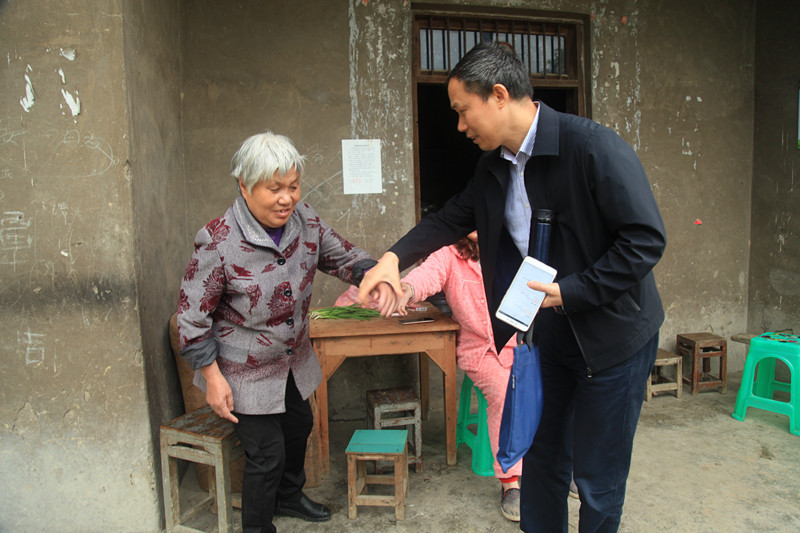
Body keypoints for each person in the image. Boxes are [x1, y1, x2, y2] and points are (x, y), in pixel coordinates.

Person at [358, 41, 666, 532]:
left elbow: (644, 240)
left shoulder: (591, 147)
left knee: (597, 477)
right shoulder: (495, 166)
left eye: (463, 110)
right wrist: (392, 260)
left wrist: (573, 291)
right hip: (550, 335)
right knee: (541, 458)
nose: (460, 126)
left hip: (615, 339)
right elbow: (450, 218)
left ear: (499, 95)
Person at [177, 131, 392, 533]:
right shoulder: (218, 241)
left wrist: (376, 275)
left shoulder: (305, 220)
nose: (286, 198)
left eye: (293, 186)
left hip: (291, 360)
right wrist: (212, 378)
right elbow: (191, 318)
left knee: (298, 426)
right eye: (274, 188)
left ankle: (288, 496)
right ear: (244, 185)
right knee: (267, 454)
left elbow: (343, 256)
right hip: (241, 371)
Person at [337, 232, 524, 521]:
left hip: (522, 343)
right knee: (503, 391)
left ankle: (560, 462)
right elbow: (423, 279)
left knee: (554, 383)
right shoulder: (450, 255)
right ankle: (510, 482)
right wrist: (404, 291)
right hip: (482, 349)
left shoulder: (516, 247)